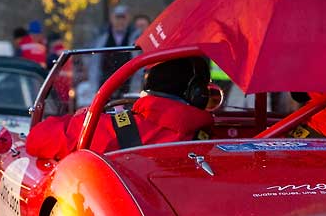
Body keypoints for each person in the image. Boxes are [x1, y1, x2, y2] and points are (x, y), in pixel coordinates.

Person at [26, 57, 214, 160]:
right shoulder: (217, 137)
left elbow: (36, 140)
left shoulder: (104, 128)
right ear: (197, 94)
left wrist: (82, 116)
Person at [88, 5, 135, 94]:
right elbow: (94, 64)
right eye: (117, 18)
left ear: (128, 19)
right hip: (105, 87)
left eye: (123, 18)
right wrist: (94, 89)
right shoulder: (101, 38)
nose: (120, 21)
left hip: (127, 87)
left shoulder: (134, 37)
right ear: (112, 18)